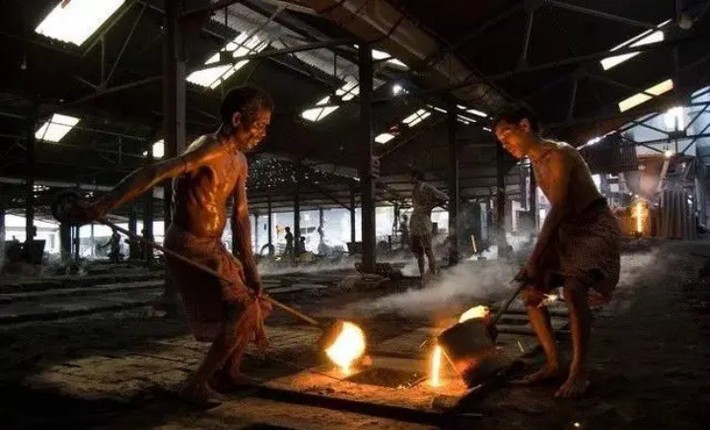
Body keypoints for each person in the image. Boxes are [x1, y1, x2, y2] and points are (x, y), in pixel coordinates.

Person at [66, 85, 274, 407]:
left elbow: (242, 219)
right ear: (237, 119)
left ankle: (228, 373)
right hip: (188, 244)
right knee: (244, 309)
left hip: (213, 246)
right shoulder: (209, 149)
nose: (262, 133)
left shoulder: (240, 162)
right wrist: (103, 206)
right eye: (258, 124)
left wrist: (251, 271)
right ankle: (195, 384)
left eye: (265, 126)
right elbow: (155, 172)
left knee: (255, 304)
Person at [493, 106, 620, 398]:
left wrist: (535, 257)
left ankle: (579, 373)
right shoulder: (535, 162)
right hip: (568, 228)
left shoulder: (560, 153)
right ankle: (553, 364)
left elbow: (560, 207)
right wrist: (535, 264)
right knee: (531, 291)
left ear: (524, 125)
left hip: (594, 225)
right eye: (500, 141)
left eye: (506, 135)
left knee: (575, 289)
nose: (504, 144)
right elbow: (558, 214)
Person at [409, 168, 448, 284]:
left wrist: (431, 206)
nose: (409, 179)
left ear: (417, 177)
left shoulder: (427, 188)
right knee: (419, 252)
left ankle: (433, 276)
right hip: (415, 222)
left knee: (428, 250)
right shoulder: (414, 189)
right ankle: (423, 277)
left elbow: (444, 197)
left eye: (411, 176)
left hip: (424, 222)